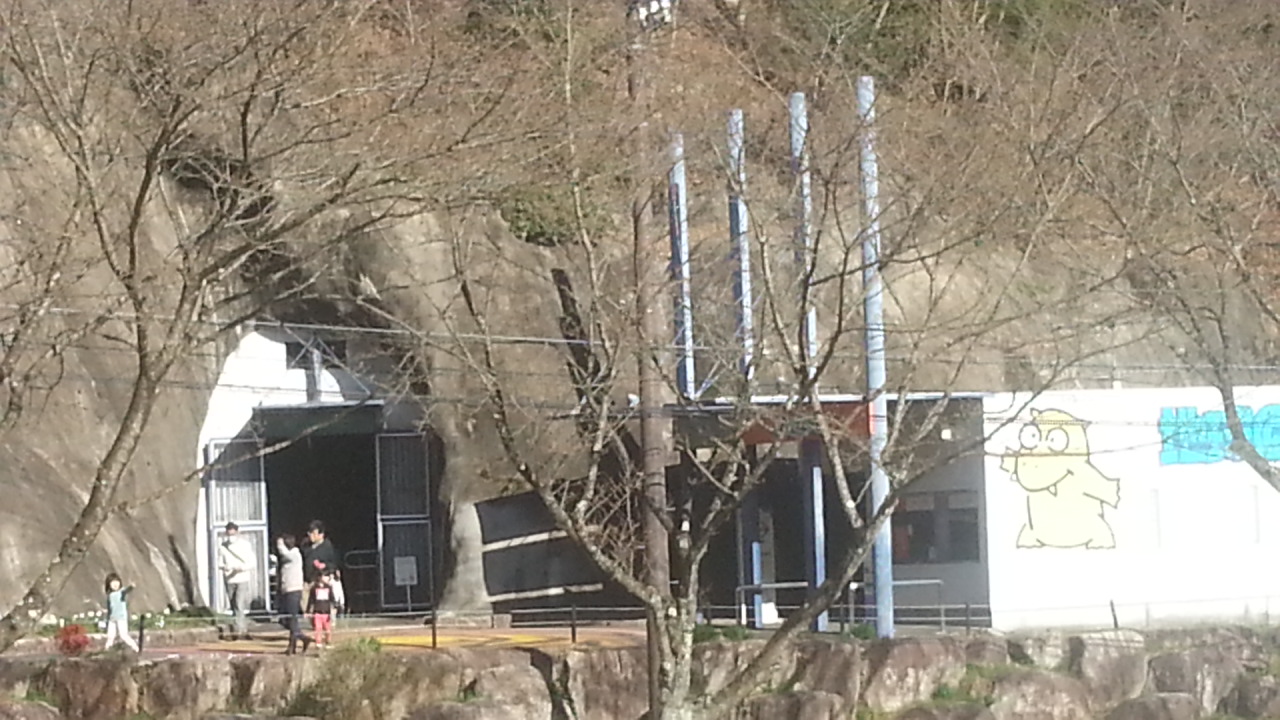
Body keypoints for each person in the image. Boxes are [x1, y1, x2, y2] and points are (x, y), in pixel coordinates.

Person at [275, 534, 313, 655]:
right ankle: (300, 638)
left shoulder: (295, 554)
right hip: (286, 589)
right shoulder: (287, 559)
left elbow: (285, 553)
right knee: (284, 619)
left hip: (294, 590)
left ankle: (293, 645)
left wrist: (280, 544)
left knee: (292, 618)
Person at [217, 522, 254, 640]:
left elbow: (252, 563)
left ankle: (239, 631)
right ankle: (241, 629)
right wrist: (225, 567)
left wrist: (241, 568)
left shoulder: (245, 545)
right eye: (228, 534)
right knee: (234, 605)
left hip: (242, 578)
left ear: (238, 532)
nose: (230, 537)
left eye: (233, 534)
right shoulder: (223, 546)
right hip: (229, 579)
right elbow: (219, 562)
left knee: (239, 603)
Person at [301, 520, 338, 613]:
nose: (311, 536)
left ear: (321, 535)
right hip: (307, 581)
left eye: (314, 533)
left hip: (321, 582)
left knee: (320, 608)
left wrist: (324, 565)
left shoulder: (327, 546)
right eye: (310, 533)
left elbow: (334, 563)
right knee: (305, 606)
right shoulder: (305, 545)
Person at [103, 573, 140, 652]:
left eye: (117, 581)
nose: (115, 584)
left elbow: (126, 590)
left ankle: (136, 648)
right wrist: (107, 618)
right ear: (109, 584)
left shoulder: (121, 592)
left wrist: (132, 586)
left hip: (121, 617)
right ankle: (106, 650)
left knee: (123, 635)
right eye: (112, 582)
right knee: (110, 636)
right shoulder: (110, 595)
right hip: (112, 618)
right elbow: (109, 608)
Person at [308, 571, 336, 648]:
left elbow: (332, 598)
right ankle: (318, 642)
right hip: (317, 611)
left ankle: (328, 642)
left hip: (326, 612)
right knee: (318, 628)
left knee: (327, 628)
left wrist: (334, 607)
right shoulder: (314, 588)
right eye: (324, 576)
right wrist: (308, 611)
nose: (326, 578)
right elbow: (311, 600)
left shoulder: (329, 587)